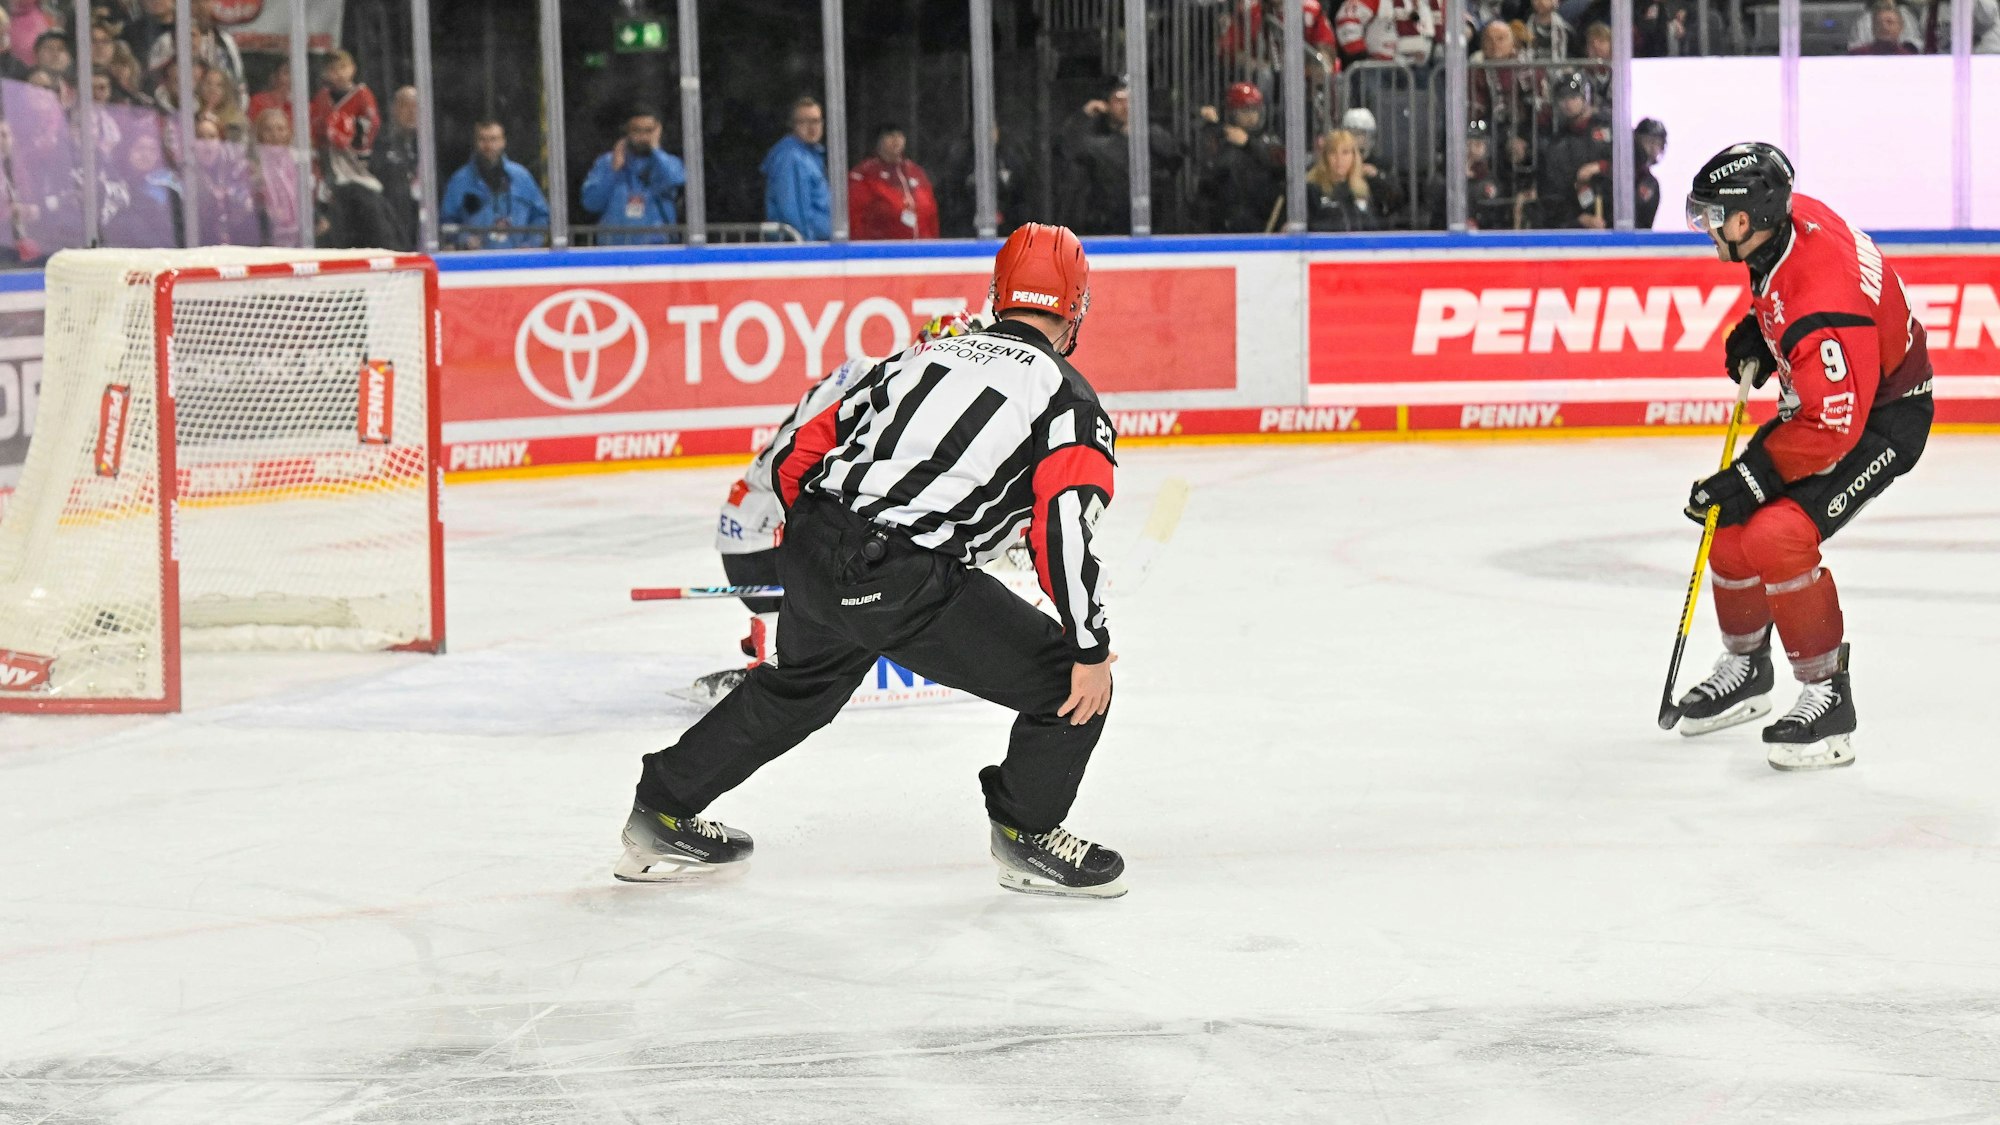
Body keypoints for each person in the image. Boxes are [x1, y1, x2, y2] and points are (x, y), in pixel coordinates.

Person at [616, 223, 1127, 899]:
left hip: (812, 541)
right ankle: (1028, 835)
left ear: (998, 294)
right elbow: (1065, 526)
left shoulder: (922, 357)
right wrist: (1090, 646)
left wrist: (826, 544)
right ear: (1076, 310)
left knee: (798, 690)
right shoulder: (1067, 398)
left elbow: (804, 445)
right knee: (1070, 684)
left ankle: (661, 810)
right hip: (899, 575)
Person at [1673, 143, 1934, 772]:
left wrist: (1756, 476)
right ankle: (1748, 668)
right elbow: (1789, 295)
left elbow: (1833, 426)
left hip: (1880, 420)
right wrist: (1764, 330)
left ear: (1750, 218)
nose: (1709, 229)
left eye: (1716, 218)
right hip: (1844, 394)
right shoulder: (1787, 223)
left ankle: (1829, 698)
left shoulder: (1823, 304)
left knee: (1776, 533)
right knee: (1729, 525)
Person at [688, 310, 994, 704]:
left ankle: (785, 628)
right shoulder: (890, 390)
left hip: (752, 533)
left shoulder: (881, 376)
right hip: (765, 548)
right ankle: (783, 644)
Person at [1056, 76, 1184, 235]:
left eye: (1131, 100)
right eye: (1119, 100)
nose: (1126, 106)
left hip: (1151, 225)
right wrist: (1084, 115)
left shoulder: (1152, 135)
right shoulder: (1097, 139)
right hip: (1106, 226)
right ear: (1106, 105)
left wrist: (1139, 133)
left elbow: (1175, 156)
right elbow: (1071, 147)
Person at [309, 50, 397, 249]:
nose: (338, 73)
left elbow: (366, 131)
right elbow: (315, 130)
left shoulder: (362, 96)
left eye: (342, 67)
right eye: (332, 69)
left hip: (357, 168)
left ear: (353, 69)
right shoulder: (322, 97)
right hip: (329, 166)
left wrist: (339, 134)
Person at [579, 106, 685, 245]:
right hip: (613, 250)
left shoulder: (667, 162)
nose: (643, 136)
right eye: (637, 130)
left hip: (657, 250)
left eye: (649, 130)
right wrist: (613, 171)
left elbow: (677, 180)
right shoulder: (606, 162)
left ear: (658, 131)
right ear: (627, 133)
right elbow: (590, 204)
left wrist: (656, 150)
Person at [440, 119, 551, 250]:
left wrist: (531, 243)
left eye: (493, 139)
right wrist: (464, 238)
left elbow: (541, 216)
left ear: (503, 142)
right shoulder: (460, 181)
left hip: (519, 263)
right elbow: (446, 222)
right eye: (482, 139)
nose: (488, 146)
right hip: (476, 263)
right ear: (475, 143)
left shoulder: (522, 177)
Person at [1194, 82, 1283, 233]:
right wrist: (1213, 126)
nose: (1251, 116)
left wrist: (1248, 144)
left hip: (1264, 220)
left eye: (1254, 110)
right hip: (1227, 222)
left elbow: (1279, 165)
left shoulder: (1269, 139)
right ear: (1232, 112)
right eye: (1245, 110)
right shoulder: (1220, 140)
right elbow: (1211, 174)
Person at [1536, 72, 1612, 229]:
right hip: (1580, 225)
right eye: (1563, 98)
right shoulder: (1557, 145)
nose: (1567, 104)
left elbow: (1633, 162)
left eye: (1573, 97)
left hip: (1618, 217)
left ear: (1586, 97)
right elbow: (1552, 194)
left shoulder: (1611, 127)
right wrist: (1582, 219)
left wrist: (1600, 166)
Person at [847, 123, 939, 241]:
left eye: (899, 135)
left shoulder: (916, 172)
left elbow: (931, 214)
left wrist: (933, 245)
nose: (896, 140)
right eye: (890, 135)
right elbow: (856, 218)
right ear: (878, 141)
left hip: (922, 250)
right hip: (884, 252)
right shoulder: (864, 175)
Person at [761, 95, 831, 241]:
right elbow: (794, 212)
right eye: (803, 122)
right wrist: (807, 249)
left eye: (816, 121)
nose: (812, 127)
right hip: (801, 248)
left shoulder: (811, 155)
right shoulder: (791, 157)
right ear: (793, 125)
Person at [372, 85, 422, 250]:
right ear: (393, 109)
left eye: (416, 106)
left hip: (421, 234)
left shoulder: (426, 146)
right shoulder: (379, 144)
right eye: (405, 105)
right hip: (391, 237)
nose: (411, 111)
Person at [1304, 128, 1379, 231]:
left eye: (1345, 152)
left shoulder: (1361, 189)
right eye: (1333, 152)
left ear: (1354, 156)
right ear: (1325, 157)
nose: (1339, 159)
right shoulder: (1312, 189)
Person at [1633, 116, 1666, 228]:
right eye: (1648, 141)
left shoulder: (1651, 184)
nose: (1653, 148)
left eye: (1657, 143)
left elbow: (1645, 226)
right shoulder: (1620, 172)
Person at [1850, 0, 1920, 52]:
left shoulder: (1905, 15)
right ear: (1873, 27)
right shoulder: (1864, 19)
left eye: (1890, 22)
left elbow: (1916, 43)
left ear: (1901, 27)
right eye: (1879, 23)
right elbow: (1855, 45)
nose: (1884, 27)